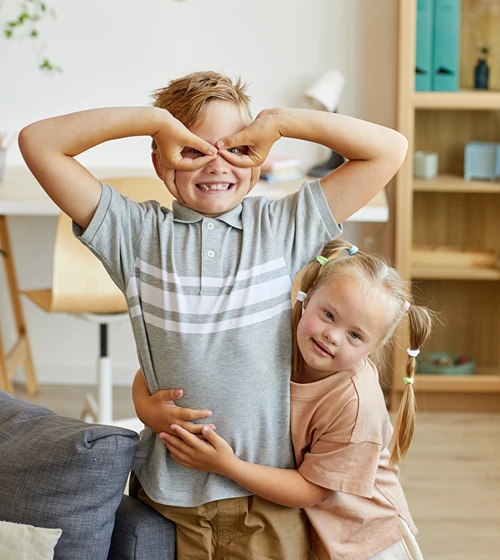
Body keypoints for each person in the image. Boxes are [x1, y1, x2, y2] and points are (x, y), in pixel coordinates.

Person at [19, 72, 408, 560]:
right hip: (168, 501)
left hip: (267, 502)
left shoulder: (282, 227)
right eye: (195, 149)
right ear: (161, 159)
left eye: (235, 149)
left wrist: (280, 122)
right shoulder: (133, 235)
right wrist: (153, 122)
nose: (216, 163)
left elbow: (389, 149)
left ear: (256, 155)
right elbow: (38, 143)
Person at [142, 238, 432, 560]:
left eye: (355, 335)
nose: (332, 336)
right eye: (329, 314)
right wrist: (147, 410)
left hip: (364, 540)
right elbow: (159, 370)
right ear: (306, 298)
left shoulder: (356, 402)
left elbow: (310, 490)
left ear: (372, 349)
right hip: (307, 526)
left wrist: (227, 466)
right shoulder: (269, 336)